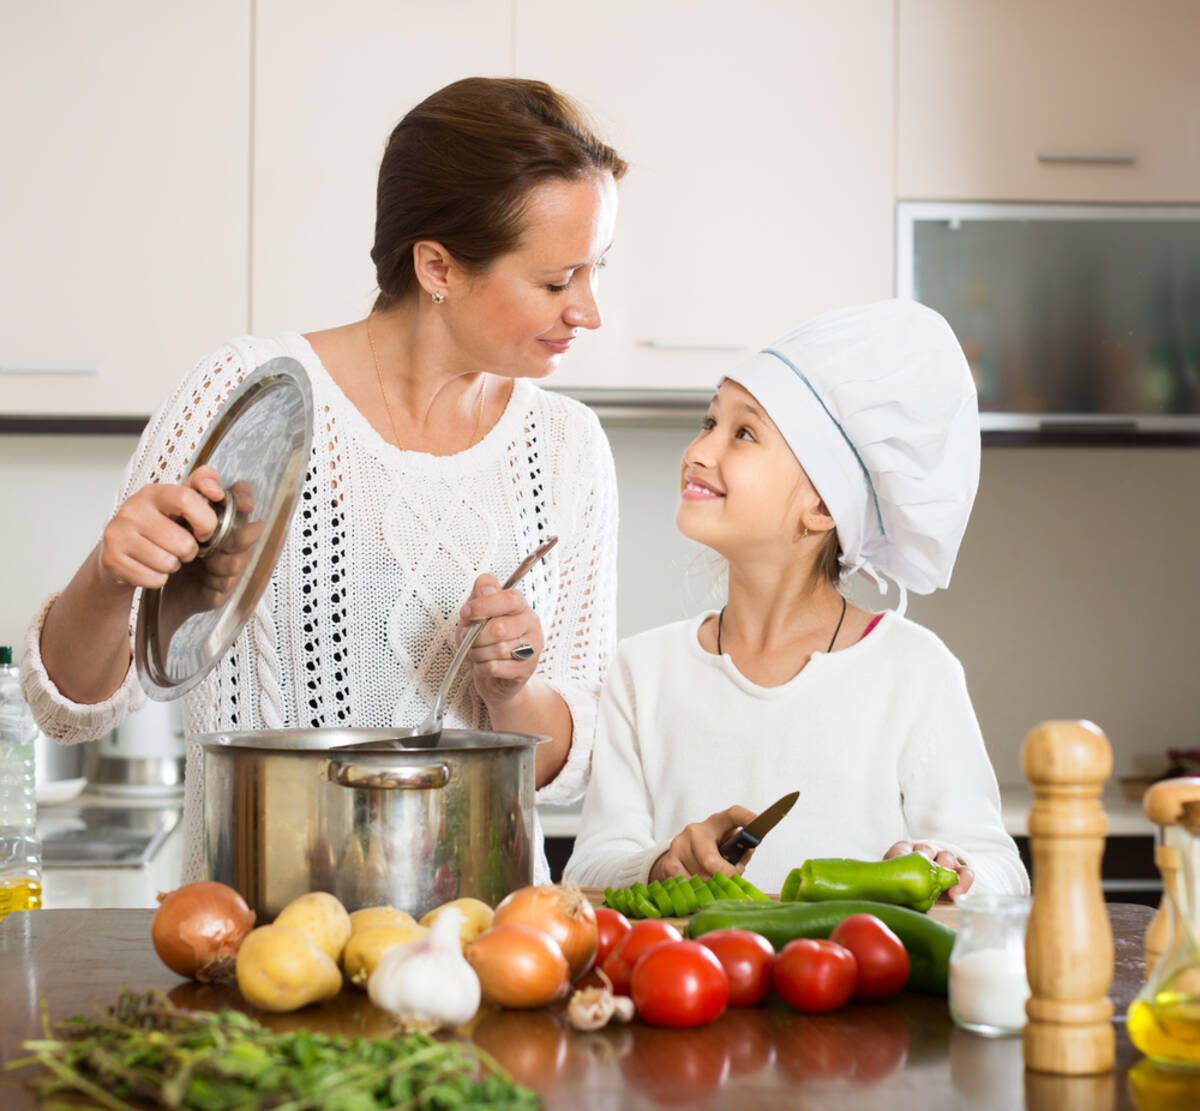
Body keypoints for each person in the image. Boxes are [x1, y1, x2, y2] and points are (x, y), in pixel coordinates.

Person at [22, 77, 626, 886]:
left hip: (482, 957)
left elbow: (573, 761)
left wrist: (512, 688)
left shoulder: (568, 446)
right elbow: (69, 707)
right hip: (257, 943)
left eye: (597, 270)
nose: (589, 311)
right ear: (437, 266)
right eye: (558, 281)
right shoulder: (250, 397)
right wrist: (108, 573)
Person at [564, 299, 1029, 898]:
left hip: (862, 991)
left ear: (824, 507)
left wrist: (950, 864)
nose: (701, 451)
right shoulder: (642, 671)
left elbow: (1001, 868)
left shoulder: (914, 671)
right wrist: (662, 862)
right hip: (694, 991)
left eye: (744, 433)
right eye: (709, 423)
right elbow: (589, 872)